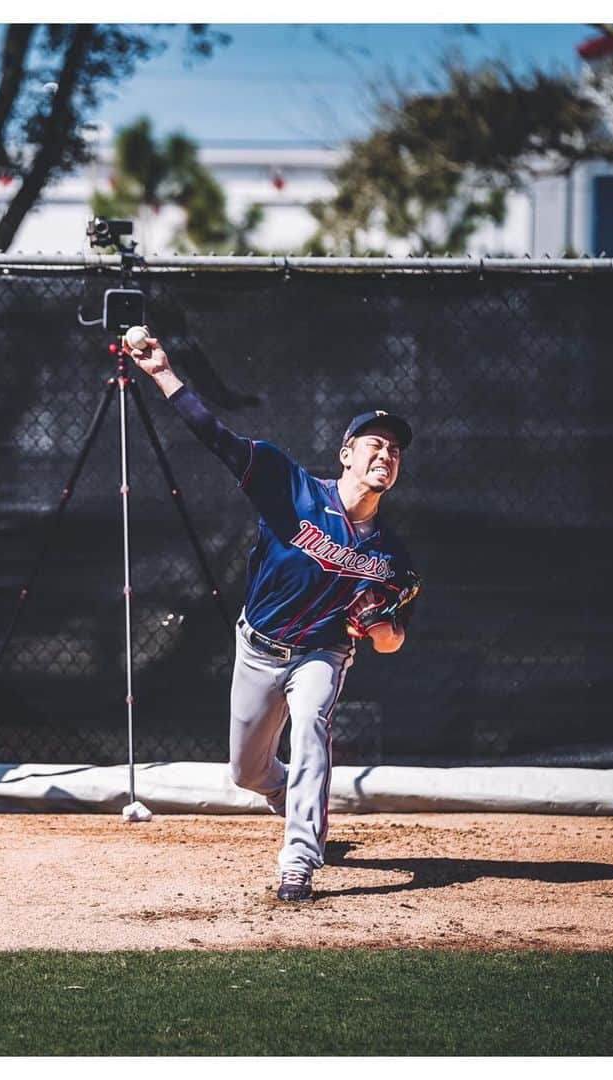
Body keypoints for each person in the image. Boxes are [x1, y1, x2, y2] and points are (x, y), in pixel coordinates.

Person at [125, 330, 420, 902]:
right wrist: (162, 372)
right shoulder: (292, 487)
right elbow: (214, 436)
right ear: (346, 454)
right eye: (373, 445)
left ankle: (299, 861)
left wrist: (378, 626)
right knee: (247, 774)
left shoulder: (391, 556)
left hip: (322, 653)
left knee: (312, 726)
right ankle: (288, 796)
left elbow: (392, 642)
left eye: (394, 450)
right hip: (258, 647)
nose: (385, 455)